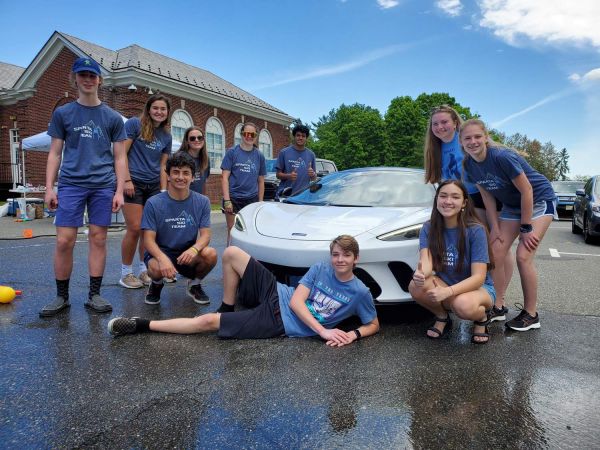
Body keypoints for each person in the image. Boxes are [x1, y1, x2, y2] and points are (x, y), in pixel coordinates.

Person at [108, 235, 380, 345]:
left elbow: (373, 324)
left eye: (345, 256)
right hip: (279, 294)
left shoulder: (359, 292)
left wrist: (352, 335)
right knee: (232, 253)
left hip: (278, 321)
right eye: (335, 255)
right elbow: (297, 301)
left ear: (356, 258)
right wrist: (323, 331)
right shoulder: (321, 268)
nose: (339, 260)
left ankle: (140, 324)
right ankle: (227, 306)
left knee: (207, 322)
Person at [39, 57, 127, 317]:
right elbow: (55, 153)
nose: (88, 79)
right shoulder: (63, 113)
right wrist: (49, 187)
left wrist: (120, 190)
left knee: (98, 239)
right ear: (75, 79)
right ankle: (61, 297)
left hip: (102, 186)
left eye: (92, 75)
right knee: (64, 241)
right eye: (83, 75)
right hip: (71, 184)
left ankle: (94, 295)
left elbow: (120, 157)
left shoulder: (111, 117)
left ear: (99, 79)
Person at [461, 119, 556, 331]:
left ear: (486, 137)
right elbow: (487, 196)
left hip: (538, 200)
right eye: (468, 138)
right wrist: (494, 227)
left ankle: (531, 314)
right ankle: (498, 305)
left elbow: (527, 190)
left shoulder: (502, 157)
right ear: (461, 142)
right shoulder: (468, 164)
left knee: (523, 256)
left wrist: (526, 227)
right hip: (512, 206)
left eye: (477, 136)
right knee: (495, 251)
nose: (473, 141)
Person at [424, 105, 513, 323]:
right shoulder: (434, 149)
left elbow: (486, 170)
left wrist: (493, 220)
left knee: (497, 247)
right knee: (487, 249)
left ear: (455, 122)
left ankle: (498, 302)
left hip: (484, 196)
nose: (440, 127)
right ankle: (479, 293)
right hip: (461, 199)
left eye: (445, 122)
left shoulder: (465, 140)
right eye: (435, 124)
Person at [409, 180, 495, 344]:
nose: (448, 201)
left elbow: (479, 277)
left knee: (463, 305)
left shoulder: (476, 230)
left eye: (455, 197)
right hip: (446, 284)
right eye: (443, 196)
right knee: (415, 285)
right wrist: (421, 274)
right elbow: (426, 262)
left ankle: (482, 318)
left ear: (464, 203)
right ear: (437, 200)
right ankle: (442, 317)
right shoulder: (428, 228)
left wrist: (448, 292)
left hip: (479, 289)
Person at [141, 151, 218, 305]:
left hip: (186, 253)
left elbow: (205, 235)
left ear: (192, 177)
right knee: (155, 268)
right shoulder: (153, 203)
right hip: (161, 252)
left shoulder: (202, 201)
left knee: (211, 254)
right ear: (168, 175)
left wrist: (194, 249)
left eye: (185, 173)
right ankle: (156, 284)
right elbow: (148, 240)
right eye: (175, 172)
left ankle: (194, 285)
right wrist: (162, 259)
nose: (181, 177)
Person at [119, 94, 173, 289]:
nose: (159, 112)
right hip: (133, 183)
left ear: (167, 113)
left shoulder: (166, 135)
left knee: (148, 232)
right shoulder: (134, 124)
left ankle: (143, 270)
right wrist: (126, 179)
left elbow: (163, 166)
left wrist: (163, 191)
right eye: (155, 108)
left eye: (163, 109)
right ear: (149, 109)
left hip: (154, 187)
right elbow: (121, 153)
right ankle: (126, 273)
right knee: (134, 229)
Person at [221, 122, 266, 244]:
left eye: (252, 134)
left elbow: (261, 180)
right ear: (241, 134)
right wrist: (227, 200)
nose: (249, 136)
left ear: (256, 136)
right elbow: (224, 178)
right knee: (232, 230)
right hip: (233, 198)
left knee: (250, 232)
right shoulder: (232, 152)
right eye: (246, 133)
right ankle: (229, 260)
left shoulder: (259, 156)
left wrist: (260, 202)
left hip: (251, 199)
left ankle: (245, 261)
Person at [276, 123, 317, 197]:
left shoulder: (311, 155)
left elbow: (314, 178)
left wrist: (313, 174)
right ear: (294, 137)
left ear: (306, 138)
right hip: (286, 195)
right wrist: (289, 176)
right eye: (298, 135)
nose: (300, 138)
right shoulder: (284, 152)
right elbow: (278, 175)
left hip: (303, 197)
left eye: (303, 136)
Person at [178, 126, 210, 195]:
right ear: (187, 141)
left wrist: (204, 199)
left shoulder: (206, 159)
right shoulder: (180, 157)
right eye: (192, 138)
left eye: (200, 138)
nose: (196, 140)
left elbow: (203, 183)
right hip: (181, 199)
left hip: (198, 201)